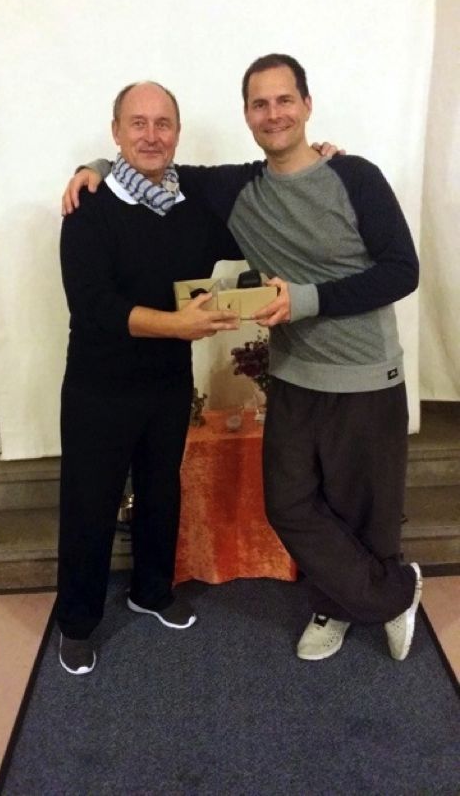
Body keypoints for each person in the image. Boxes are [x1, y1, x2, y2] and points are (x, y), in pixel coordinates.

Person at [62, 53, 422, 663]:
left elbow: (402, 270)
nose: (273, 114)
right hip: (233, 378)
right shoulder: (200, 194)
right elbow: (140, 193)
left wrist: (305, 295)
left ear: (306, 105)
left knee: (364, 510)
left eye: (284, 100)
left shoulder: (346, 177)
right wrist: (91, 167)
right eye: (260, 104)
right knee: (284, 505)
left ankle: (339, 602)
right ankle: (390, 595)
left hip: (350, 374)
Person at [58, 81, 242, 675]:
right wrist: (178, 325)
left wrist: (322, 159)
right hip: (99, 387)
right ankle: (77, 623)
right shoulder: (87, 207)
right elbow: (94, 308)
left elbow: (261, 186)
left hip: (167, 381)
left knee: (162, 490)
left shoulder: (194, 203)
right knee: (90, 504)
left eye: (163, 123)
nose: (151, 135)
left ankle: (152, 591)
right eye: (137, 123)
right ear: (115, 132)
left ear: (178, 133)